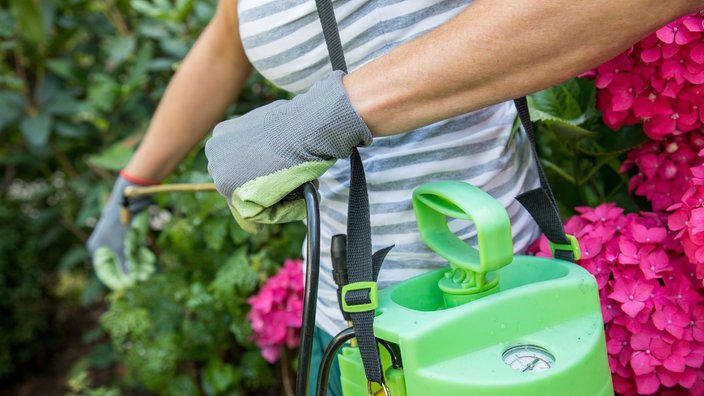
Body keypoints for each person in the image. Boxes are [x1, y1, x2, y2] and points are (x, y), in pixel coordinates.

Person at [88, 0, 704, 394]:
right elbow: (227, 41)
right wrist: (136, 178)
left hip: (498, 325)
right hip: (346, 326)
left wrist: (337, 114)